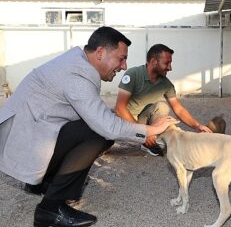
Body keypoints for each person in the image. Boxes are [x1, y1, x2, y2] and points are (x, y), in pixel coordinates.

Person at [0, 27, 178, 227]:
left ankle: (42, 182)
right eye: (121, 58)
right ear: (100, 52)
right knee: (98, 132)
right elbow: (106, 126)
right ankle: (51, 208)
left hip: (30, 136)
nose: (124, 65)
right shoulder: (77, 74)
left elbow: (95, 114)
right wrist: (149, 130)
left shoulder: (77, 63)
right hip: (23, 145)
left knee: (100, 123)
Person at [115, 44, 212, 156]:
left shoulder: (166, 84)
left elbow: (178, 109)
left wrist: (197, 126)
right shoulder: (133, 75)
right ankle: (146, 137)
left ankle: (149, 142)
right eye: (167, 63)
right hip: (124, 120)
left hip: (141, 120)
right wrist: (142, 132)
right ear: (153, 61)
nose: (170, 68)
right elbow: (119, 108)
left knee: (162, 106)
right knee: (102, 142)